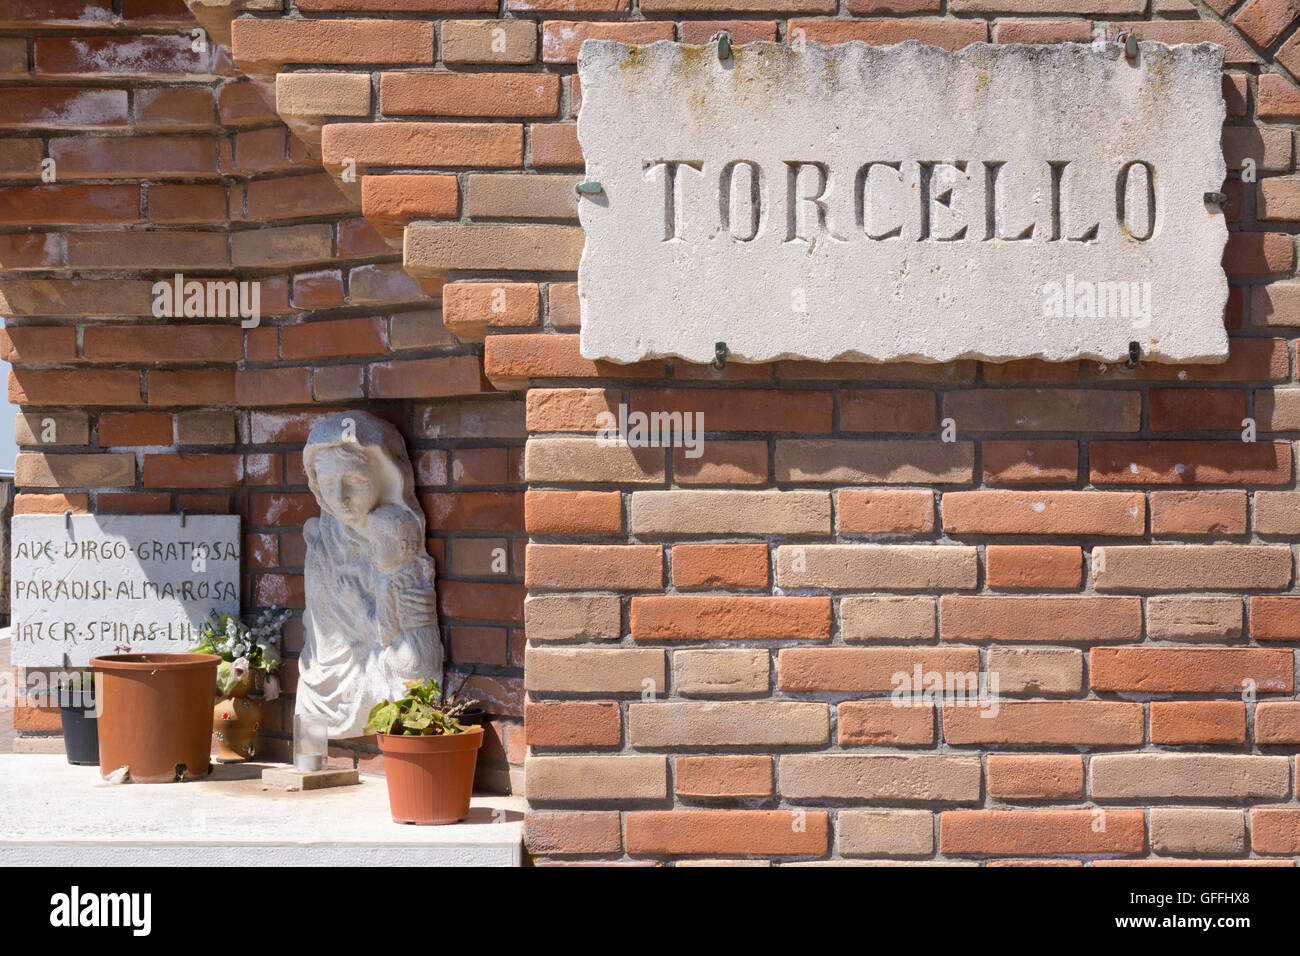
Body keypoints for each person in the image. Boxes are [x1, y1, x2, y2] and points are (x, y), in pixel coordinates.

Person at [296, 410, 441, 739]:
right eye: (328, 484)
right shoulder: (322, 541)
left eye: (356, 482)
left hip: (386, 665)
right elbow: (323, 631)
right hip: (330, 673)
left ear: (386, 477)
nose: (339, 498)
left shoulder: (398, 545)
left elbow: (398, 634)